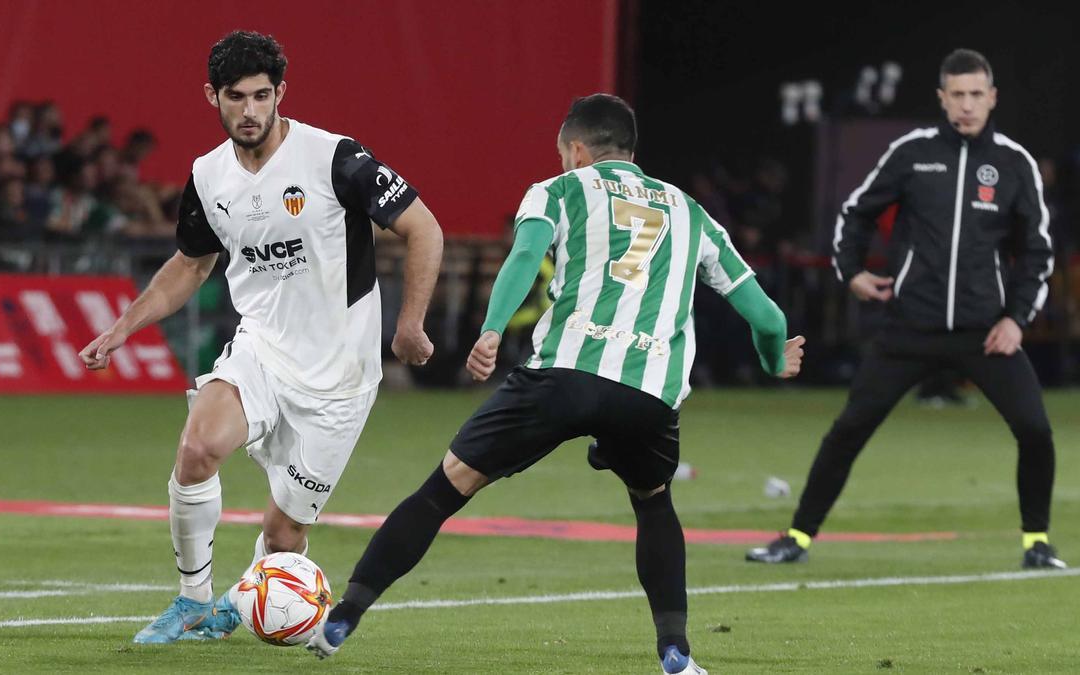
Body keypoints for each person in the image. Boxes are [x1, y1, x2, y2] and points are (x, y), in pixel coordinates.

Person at [305, 94, 804, 674]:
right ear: (632, 152)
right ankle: (675, 652)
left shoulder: (560, 190)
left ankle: (344, 617)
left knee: (444, 489)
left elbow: (524, 257)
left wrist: (491, 330)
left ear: (578, 149)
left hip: (562, 375)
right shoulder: (693, 212)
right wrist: (774, 362)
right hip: (646, 393)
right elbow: (769, 320)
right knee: (654, 504)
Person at [78, 31, 443, 643]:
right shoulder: (208, 176)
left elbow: (424, 228)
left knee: (282, 537)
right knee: (196, 450)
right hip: (263, 351)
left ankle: (237, 602)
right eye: (235, 97)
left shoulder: (335, 159)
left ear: (280, 94)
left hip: (341, 378)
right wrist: (124, 325)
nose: (249, 111)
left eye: (261, 96)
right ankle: (192, 602)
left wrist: (409, 323)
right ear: (212, 96)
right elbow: (192, 264)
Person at [746, 49, 1064, 569]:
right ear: (942, 98)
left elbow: (1037, 251)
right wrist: (852, 273)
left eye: (975, 94)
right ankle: (797, 538)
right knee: (849, 428)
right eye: (956, 95)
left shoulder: (1013, 163)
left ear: (992, 98)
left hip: (984, 332)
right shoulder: (912, 152)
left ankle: (1037, 543)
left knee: (1035, 430)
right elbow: (857, 212)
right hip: (909, 327)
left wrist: (1016, 319)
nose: (966, 105)